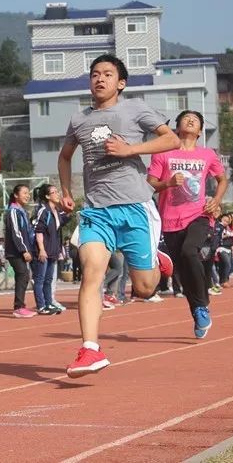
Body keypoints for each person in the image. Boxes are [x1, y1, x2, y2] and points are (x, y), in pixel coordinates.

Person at [58, 54, 178, 377]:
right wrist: (67, 192)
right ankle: (90, 350)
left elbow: (172, 139)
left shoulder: (135, 109)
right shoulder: (78, 119)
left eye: (107, 74)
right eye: (95, 74)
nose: (99, 79)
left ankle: (156, 261)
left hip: (136, 207)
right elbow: (65, 157)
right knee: (91, 274)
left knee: (143, 289)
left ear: (120, 83)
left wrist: (130, 150)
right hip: (97, 211)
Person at [147, 109, 227, 338]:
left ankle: (202, 304)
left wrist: (216, 200)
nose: (190, 120)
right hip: (171, 220)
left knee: (190, 252)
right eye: (186, 118)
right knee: (182, 271)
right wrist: (168, 182)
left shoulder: (207, 154)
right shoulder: (162, 153)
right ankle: (198, 311)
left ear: (200, 131)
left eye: (195, 120)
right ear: (177, 127)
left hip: (199, 215)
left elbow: (222, 179)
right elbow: (151, 183)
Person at [31, 184, 68, 315]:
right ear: (47, 196)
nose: (57, 194)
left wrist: (65, 207)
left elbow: (64, 220)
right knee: (40, 279)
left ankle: (48, 303)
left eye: (57, 191)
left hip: (53, 251)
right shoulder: (43, 210)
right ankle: (41, 306)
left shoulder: (56, 211)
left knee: (48, 279)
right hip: (43, 251)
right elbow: (38, 231)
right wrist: (41, 249)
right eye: (54, 192)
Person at [4, 184, 37, 318]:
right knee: (23, 275)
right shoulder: (13, 211)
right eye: (24, 193)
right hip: (15, 251)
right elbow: (16, 232)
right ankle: (18, 307)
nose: (27, 196)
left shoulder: (22, 211)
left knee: (23, 276)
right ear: (16, 195)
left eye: (28, 193)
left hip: (22, 250)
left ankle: (20, 306)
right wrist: (24, 250)